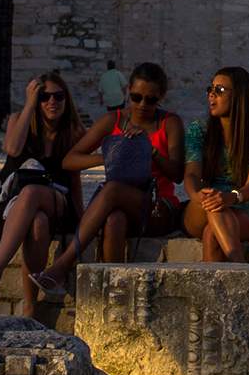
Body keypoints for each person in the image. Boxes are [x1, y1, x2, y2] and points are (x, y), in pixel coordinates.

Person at [47, 61, 185, 274]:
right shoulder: (114, 120)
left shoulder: (169, 122)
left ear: (161, 97)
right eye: (136, 97)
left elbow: (177, 175)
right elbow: (70, 160)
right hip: (122, 208)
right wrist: (110, 156)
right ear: (128, 91)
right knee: (113, 220)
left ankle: (63, 265)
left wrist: (151, 151)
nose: (142, 105)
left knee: (111, 189)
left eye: (151, 100)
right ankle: (114, 296)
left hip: (157, 206)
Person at [0, 72, 83, 307]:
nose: (51, 102)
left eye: (58, 96)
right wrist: (29, 105)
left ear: (67, 99)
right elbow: (13, 149)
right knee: (37, 222)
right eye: (44, 97)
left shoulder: (73, 132)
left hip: (58, 201)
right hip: (18, 207)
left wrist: (81, 219)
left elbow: (74, 180)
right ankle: (31, 307)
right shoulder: (19, 121)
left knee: (32, 192)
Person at [183, 66, 249, 263]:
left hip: (244, 206)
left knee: (212, 233)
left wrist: (230, 197)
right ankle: (241, 267)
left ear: (239, 96)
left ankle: (216, 288)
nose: (211, 95)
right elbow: (192, 174)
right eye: (210, 89)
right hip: (202, 203)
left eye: (220, 90)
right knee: (213, 205)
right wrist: (197, 195)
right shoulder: (199, 130)